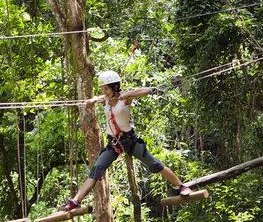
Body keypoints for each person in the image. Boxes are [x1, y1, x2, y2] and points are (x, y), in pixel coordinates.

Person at [59, 70, 192, 211]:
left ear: (115, 87)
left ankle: (181, 186)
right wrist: (93, 100)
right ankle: (75, 201)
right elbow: (100, 97)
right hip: (114, 143)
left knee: (154, 165)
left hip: (130, 140)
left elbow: (147, 90)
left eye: (106, 88)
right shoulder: (106, 99)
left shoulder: (125, 99)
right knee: (97, 169)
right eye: (102, 89)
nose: (104, 92)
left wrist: (128, 94)